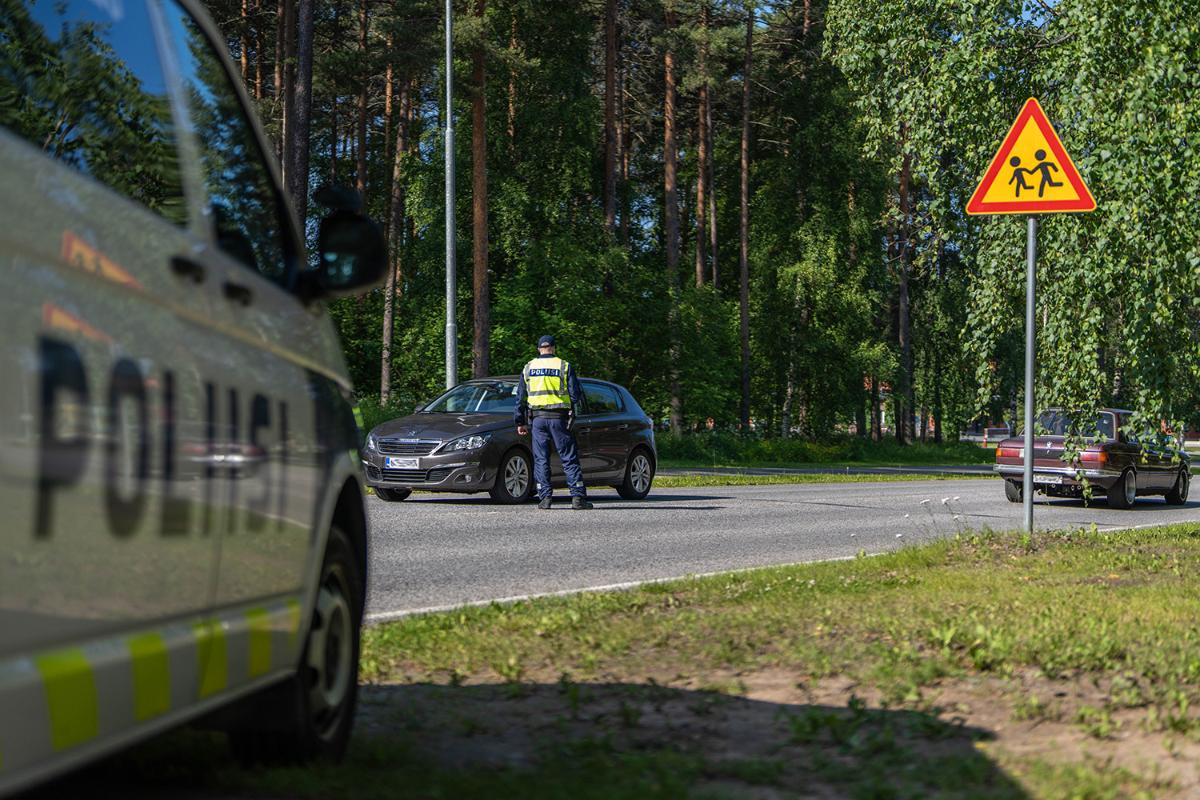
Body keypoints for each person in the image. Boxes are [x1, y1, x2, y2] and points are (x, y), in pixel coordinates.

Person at [514, 335, 593, 510]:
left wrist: (520, 421)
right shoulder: (563, 365)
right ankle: (577, 498)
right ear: (554, 348)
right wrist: (572, 409)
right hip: (559, 419)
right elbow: (575, 394)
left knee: (541, 459)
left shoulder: (529, 367)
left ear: (538, 349)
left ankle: (545, 498)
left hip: (538, 420)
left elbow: (520, 398)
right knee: (568, 457)